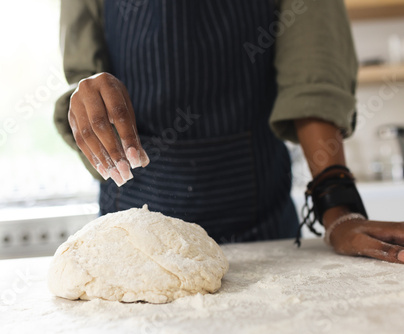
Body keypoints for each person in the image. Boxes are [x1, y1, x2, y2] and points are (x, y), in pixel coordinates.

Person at [54, 0, 404, 263]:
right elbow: (85, 77)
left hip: (263, 237)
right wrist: (87, 97)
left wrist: (339, 209)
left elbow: (314, 77)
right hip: (130, 235)